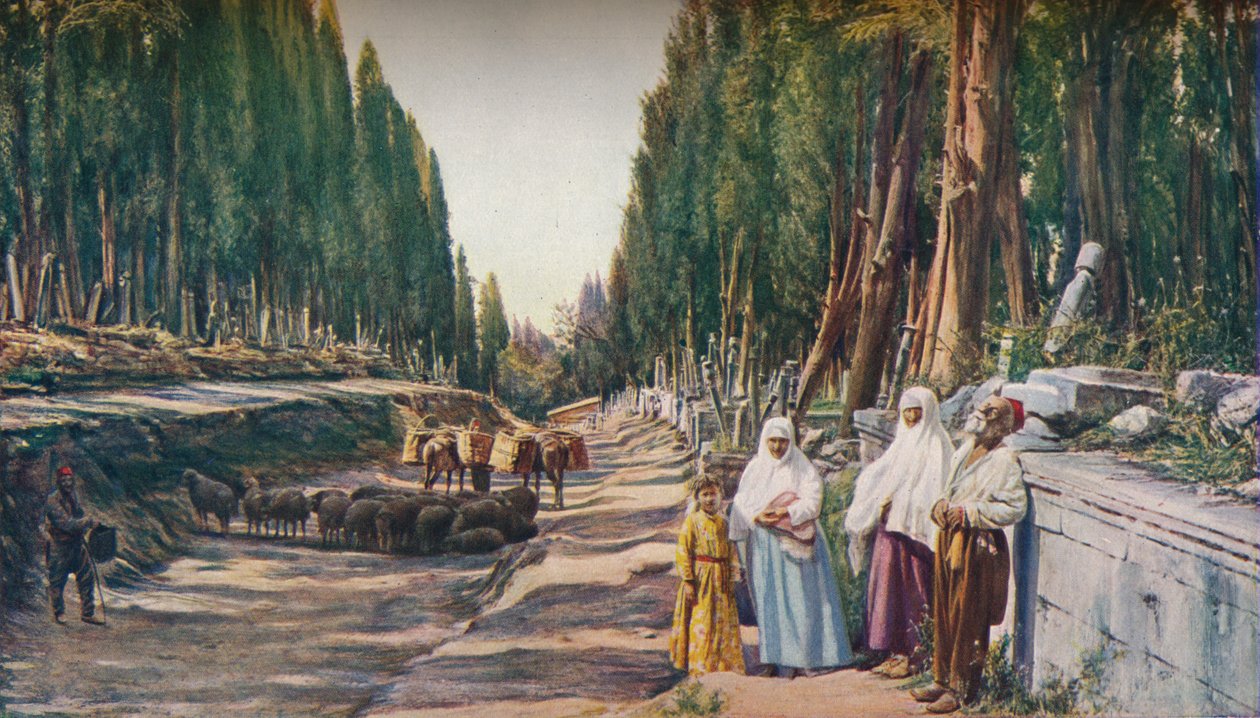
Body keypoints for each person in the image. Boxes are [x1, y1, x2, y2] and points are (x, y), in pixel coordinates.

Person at [911, 396, 1027, 714]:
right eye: (981, 408)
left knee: (969, 616)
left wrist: (969, 512)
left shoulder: (1004, 460)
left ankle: (962, 689)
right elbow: (948, 489)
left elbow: (1015, 508)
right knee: (945, 609)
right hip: (950, 537)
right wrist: (940, 505)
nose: (981, 414)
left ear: (1002, 424)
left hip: (977, 544)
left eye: (990, 412)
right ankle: (941, 679)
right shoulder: (965, 449)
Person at [729, 417, 852, 678]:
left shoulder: (801, 466)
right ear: (765, 441)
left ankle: (806, 658)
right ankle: (776, 658)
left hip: (796, 542)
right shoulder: (755, 468)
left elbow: (813, 500)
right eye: (772, 441)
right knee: (770, 600)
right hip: (765, 544)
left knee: (801, 600)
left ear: (791, 441)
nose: (777, 447)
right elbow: (741, 501)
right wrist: (756, 515)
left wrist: (786, 511)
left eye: (783, 441)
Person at [844, 387, 953, 679]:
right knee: (888, 590)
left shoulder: (937, 444)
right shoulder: (902, 443)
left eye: (917, 410)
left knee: (912, 593)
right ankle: (894, 652)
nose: (912, 416)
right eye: (907, 410)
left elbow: (934, 491)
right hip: (891, 530)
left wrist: (899, 502)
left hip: (914, 536)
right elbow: (883, 475)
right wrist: (879, 498)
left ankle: (916, 655)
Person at [669, 475, 745, 676]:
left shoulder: (724, 523)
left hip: (722, 578)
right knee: (702, 620)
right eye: (705, 494)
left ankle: (724, 666)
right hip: (701, 577)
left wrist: (733, 574)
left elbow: (731, 551)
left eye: (713, 494)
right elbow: (683, 551)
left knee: (722, 621)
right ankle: (700, 666)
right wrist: (688, 580)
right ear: (698, 497)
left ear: (720, 495)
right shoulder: (692, 521)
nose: (710, 499)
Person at [45, 465, 104, 626]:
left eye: (69, 480)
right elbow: (67, 524)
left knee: (87, 577)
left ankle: (88, 613)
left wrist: (87, 522)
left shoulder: (73, 496)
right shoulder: (52, 500)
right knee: (57, 581)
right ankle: (59, 613)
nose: (67, 483)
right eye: (64, 480)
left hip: (76, 544)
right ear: (58, 481)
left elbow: (79, 514)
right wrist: (87, 522)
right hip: (60, 546)